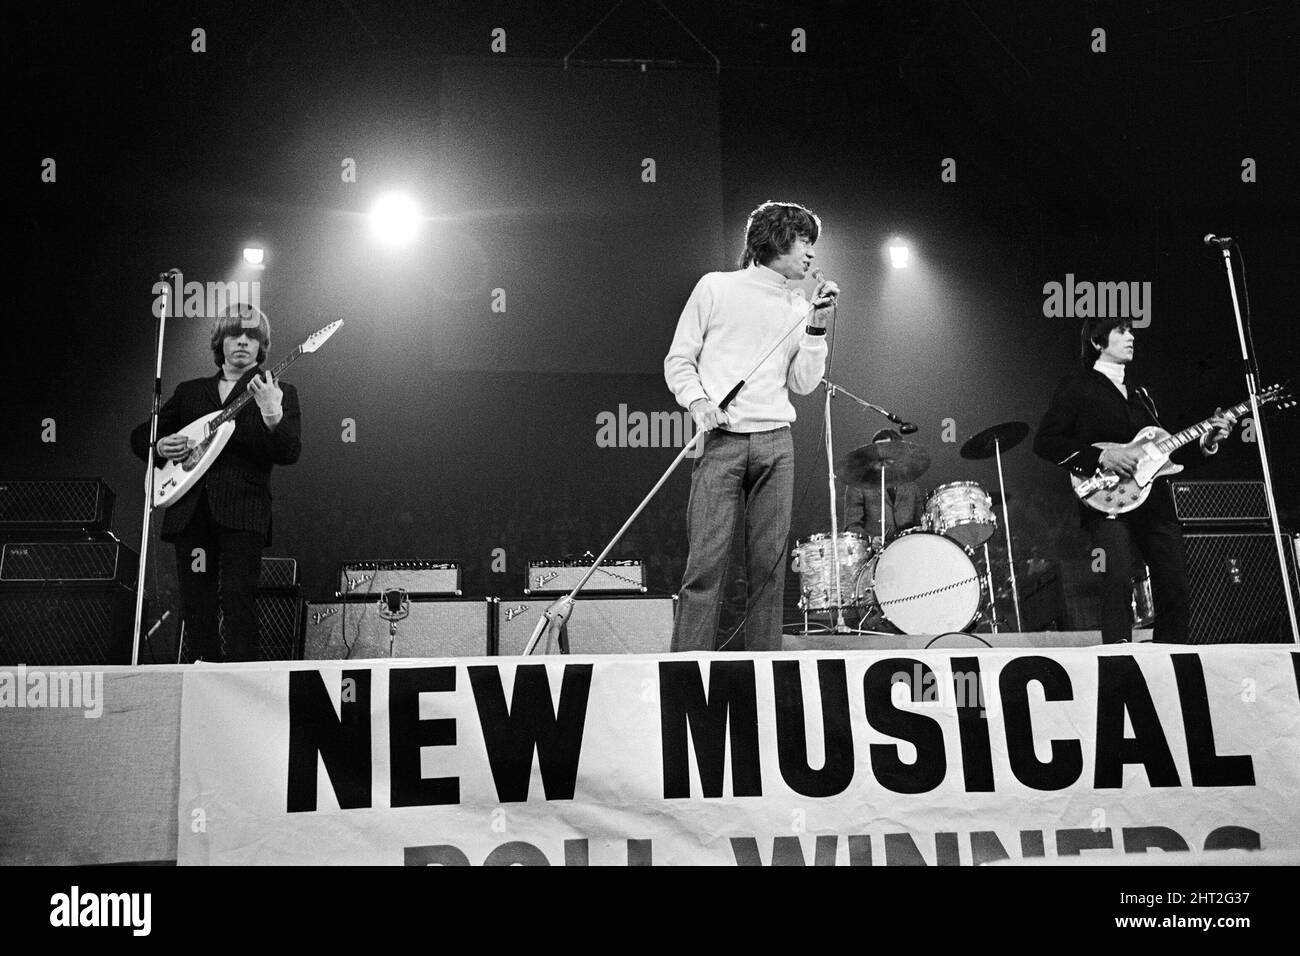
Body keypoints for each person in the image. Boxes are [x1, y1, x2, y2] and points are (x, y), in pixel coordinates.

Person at [664, 200, 837, 651]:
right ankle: (684, 673)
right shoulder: (716, 287)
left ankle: (764, 674)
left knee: (769, 571)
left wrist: (816, 327)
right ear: (776, 238)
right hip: (721, 441)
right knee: (705, 566)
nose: (811, 254)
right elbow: (679, 360)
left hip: (776, 444)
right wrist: (699, 402)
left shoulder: (799, 305)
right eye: (804, 241)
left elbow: (802, 383)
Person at [1033, 318, 1233, 643]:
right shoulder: (1077, 385)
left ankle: (1170, 662)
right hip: (1106, 500)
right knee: (1117, 582)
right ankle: (1120, 666)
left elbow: (1166, 456)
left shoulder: (1141, 396)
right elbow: (1046, 442)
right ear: (1097, 342)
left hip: (1154, 503)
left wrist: (1206, 443)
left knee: (1177, 587)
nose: (1131, 336)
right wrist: (1100, 456)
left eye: (1131, 330)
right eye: (1121, 331)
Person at [130, 305, 302, 661]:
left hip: (243, 513)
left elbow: (288, 451)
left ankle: (241, 688)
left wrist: (272, 412)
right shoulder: (191, 392)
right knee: (196, 603)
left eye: (252, 336)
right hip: (190, 513)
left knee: (239, 598)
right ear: (220, 341)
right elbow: (139, 437)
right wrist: (161, 444)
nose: (243, 342)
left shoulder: (279, 389)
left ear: (262, 345)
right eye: (235, 334)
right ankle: (200, 677)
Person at [844, 428, 925, 546]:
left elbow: (920, 525)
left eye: (886, 449)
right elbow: (851, 527)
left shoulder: (912, 487)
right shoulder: (859, 486)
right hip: (875, 556)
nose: (881, 455)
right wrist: (871, 540)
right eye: (877, 451)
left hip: (908, 552)